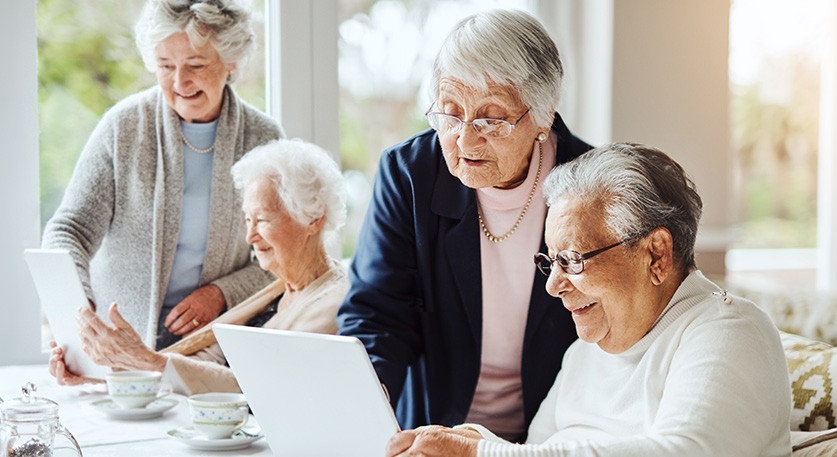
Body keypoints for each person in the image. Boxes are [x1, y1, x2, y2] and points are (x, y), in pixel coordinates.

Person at [385, 143, 793, 457]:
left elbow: (681, 453)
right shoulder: (587, 351)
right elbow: (534, 451)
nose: (553, 285)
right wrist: (473, 439)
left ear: (657, 254)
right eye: (552, 261)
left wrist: (482, 451)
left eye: (574, 259)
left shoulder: (729, 332)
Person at [337, 9, 593, 441]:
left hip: (555, 433)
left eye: (491, 118)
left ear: (544, 115)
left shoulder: (592, 183)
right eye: (451, 113)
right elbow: (378, 312)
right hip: (436, 429)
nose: (465, 139)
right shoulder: (410, 175)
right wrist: (370, 394)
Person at [42, 0, 284, 350]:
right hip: (119, 342)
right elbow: (69, 230)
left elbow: (286, 257)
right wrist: (78, 312)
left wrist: (221, 294)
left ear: (230, 62)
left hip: (215, 346)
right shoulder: (123, 127)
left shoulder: (264, 139)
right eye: (165, 65)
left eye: (195, 64)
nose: (179, 81)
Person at [49, 139, 349, 395]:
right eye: (247, 220)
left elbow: (263, 388)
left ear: (313, 218)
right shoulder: (276, 291)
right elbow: (205, 361)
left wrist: (146, 362)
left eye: (263, 220)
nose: (250, 236)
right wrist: (104, 370)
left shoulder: (337, 303)